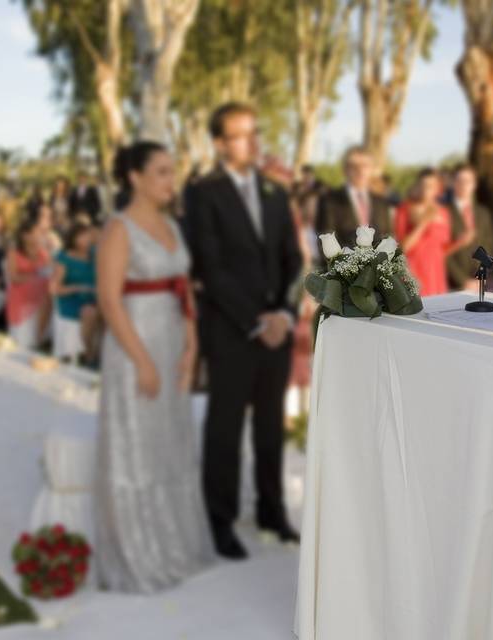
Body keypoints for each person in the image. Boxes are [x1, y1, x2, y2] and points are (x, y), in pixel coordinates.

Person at [94, 141, 213, 592]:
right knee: (137, 446)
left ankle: (174, 543)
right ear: (135, 178)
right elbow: (108, 300)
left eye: (172, 171)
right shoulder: (118, 229)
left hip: (172, 340)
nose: (171, 180)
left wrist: (191, 345)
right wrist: (142, 361)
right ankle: (138, 552)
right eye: (161, 172)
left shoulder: (172, 226)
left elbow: (184, 289)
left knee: (171, 440)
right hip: (133, 346)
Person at [186, 102, 303, 560]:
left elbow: (294, 259)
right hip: (232, 330)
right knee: (225, 429)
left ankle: (272, 512)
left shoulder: (275, 193)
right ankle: (221, 520)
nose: (254, 143)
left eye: (256, 132)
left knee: (271, 427)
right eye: (241, 135)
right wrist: (257, 321)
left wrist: (284, 315)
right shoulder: (203, 193)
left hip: (277, 329)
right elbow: (210, 269)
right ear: (220, 144)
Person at [315, 146, 392, 250]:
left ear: (372, 169)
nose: (360, 170)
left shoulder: (381, 203)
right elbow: (325, 242)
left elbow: (387, 238)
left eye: (365, 166)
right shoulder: (329, 201)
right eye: (354, 166)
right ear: (345, 169)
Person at [393, 168, 452, 297]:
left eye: (430, 186)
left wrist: (462, 242)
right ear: (417, 186)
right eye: (423, 185)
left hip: (436, 275)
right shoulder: (404, 209)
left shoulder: (444, 212)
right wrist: (423, 222)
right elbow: (403, 247)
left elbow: (444, 248)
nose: (426, 190)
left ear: (438, 189)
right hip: (414, 272)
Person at [50, 221, 100, 364]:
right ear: (73, 238)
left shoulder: (95, 253)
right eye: (82, 236)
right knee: (89, 312)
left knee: (111, 310)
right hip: (72, 299)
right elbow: (54, 288)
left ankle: (102, 354)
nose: (86, 239)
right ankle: (88, 354)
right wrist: (78, 288)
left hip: (94, 296)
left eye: (88, 235)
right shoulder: (65, 257)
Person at [445, 164, 493, 292]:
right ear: (453, 183)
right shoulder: (443, 213)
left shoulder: (483, 213)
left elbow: (489, 245)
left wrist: (482, 274)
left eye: (468, 181)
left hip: (480, 283)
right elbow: (442, 253)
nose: (464, 185)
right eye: (460, 180)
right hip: (452, 285)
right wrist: (462, 281)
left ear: (474, 185)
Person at [6, 218, 52, 349]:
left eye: (38, 233)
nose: (38, 236)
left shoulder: (42, 253)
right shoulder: (14, 253)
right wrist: (34, 278)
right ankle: (33, 340)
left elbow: (49, 270)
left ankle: (39, 338)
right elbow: (13, 277)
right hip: (21, 293)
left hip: (41, 294)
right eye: (34, 233)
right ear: (24, 235)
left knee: (49, 298)